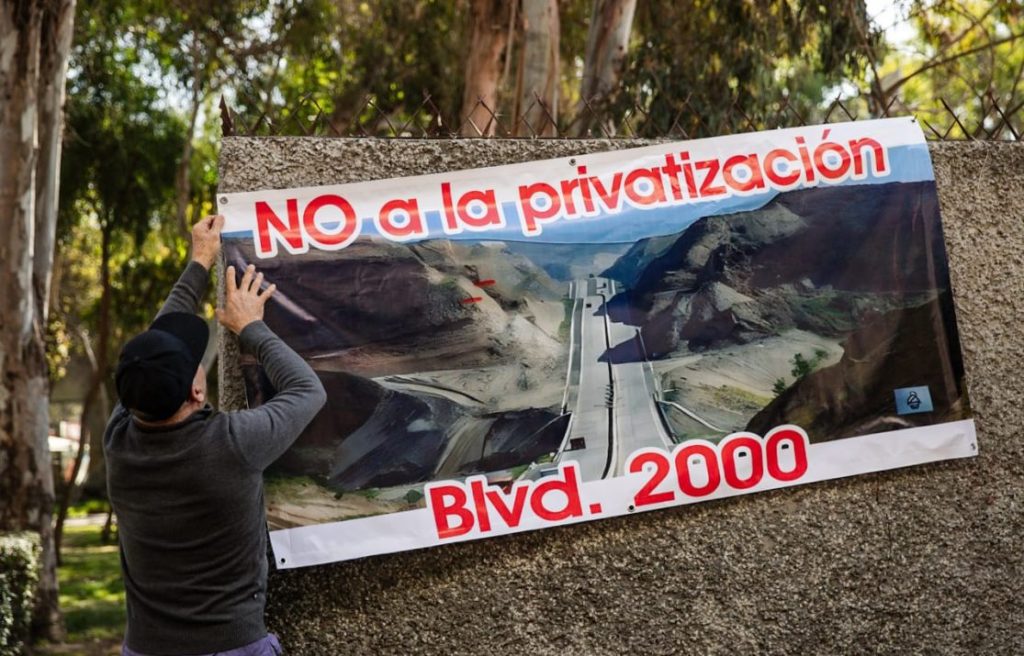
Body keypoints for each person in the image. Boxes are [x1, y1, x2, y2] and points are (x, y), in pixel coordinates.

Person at [104, 214, 327, 656]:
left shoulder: (119, 440)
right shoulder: (232, 444)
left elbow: (158, 342)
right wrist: (252, 327)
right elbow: (308, 390)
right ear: (197, 390)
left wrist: (199, 261)